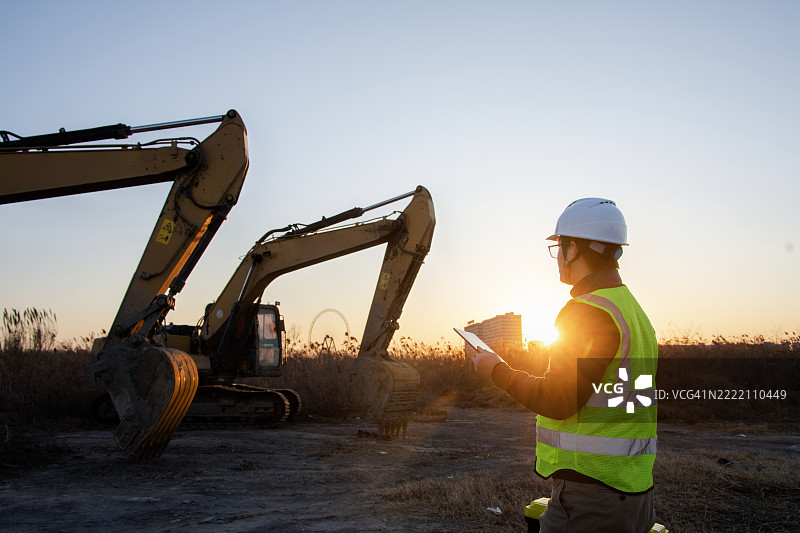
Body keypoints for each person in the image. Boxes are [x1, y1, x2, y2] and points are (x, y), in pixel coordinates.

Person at [471, 198, 658, 533]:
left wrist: (496, 371)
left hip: (592, 498)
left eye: (559, 247)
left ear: (573, 249)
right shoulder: (632, 311)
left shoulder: (587, 311)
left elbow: (558, 399)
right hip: (633, 491)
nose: (558, 257)